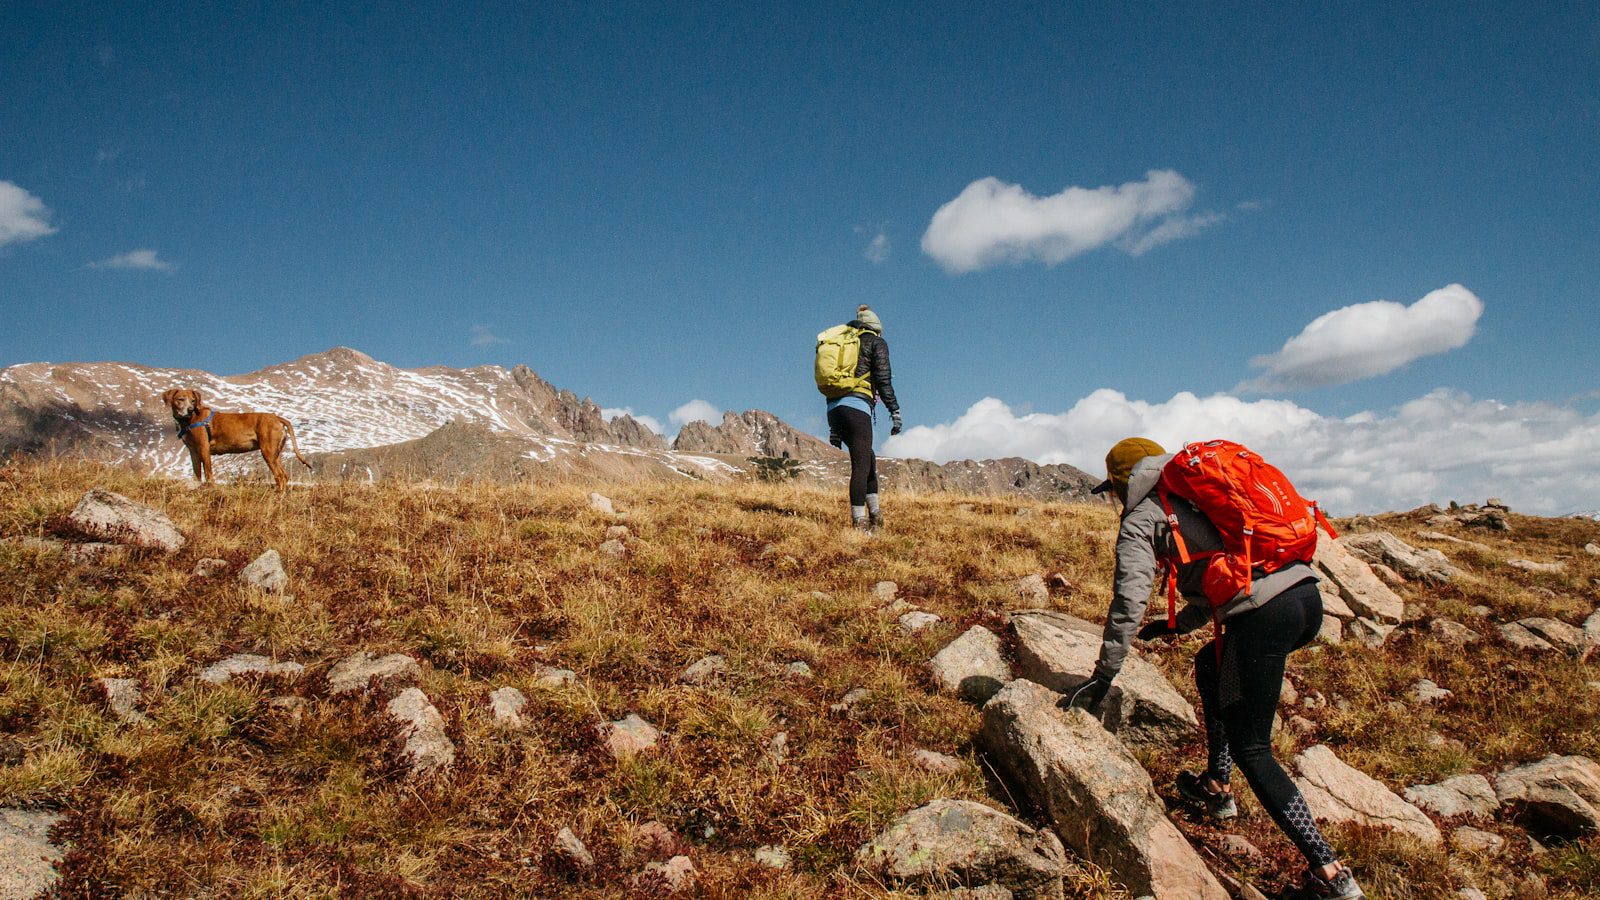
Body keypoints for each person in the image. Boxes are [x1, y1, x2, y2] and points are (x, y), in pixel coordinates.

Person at [1064, 437, 1365, 900]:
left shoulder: (1141, 518)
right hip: (1305, 598)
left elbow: (1128, 598)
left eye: (1113, 489)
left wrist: (1104, 674)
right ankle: (1216, 786)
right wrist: (1177, 624)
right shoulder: (1195, 492)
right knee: (1211, 664)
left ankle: (1332, 876)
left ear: (1122, 482)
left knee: (1255, 749)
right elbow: (1222, 574)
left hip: (1265, 614)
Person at [825, 304, 901, 532]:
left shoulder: (844, 344)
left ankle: (876, 516)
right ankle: (859, 523)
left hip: (834, 409)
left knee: (868, 459)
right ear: (876, 329)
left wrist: (835, 428)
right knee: (861, 465)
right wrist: (894, 411)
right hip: (856, 408)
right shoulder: (876, 343)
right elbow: (883, 379)